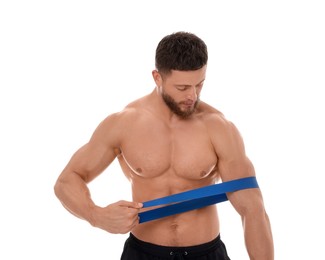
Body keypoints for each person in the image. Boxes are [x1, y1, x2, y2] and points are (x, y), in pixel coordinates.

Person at [54, 31, 274, 259]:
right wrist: (96, 216)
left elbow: (253, 210)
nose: (193, 95)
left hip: (206, 252)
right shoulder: (123, 124)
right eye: (182, 88)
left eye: (199, 85)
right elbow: (66, 181)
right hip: (143, 252)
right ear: (157, 77)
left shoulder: (218, 128)